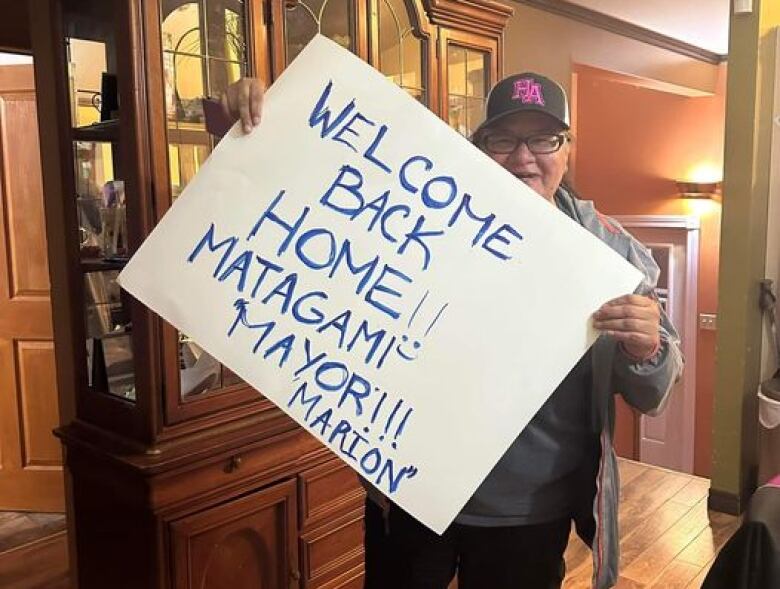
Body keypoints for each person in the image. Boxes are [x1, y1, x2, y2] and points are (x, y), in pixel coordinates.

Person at [217, 72, 683, 589]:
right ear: (479, 147)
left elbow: (655, 394)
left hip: (528, 514)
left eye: (544, 138)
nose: (523, 156)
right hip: (412, 491)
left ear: (567, 150)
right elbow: (318, 206)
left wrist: (648, 349)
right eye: (503, 139)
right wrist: (266, 122)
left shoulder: (612, 256)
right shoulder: (420, 217)